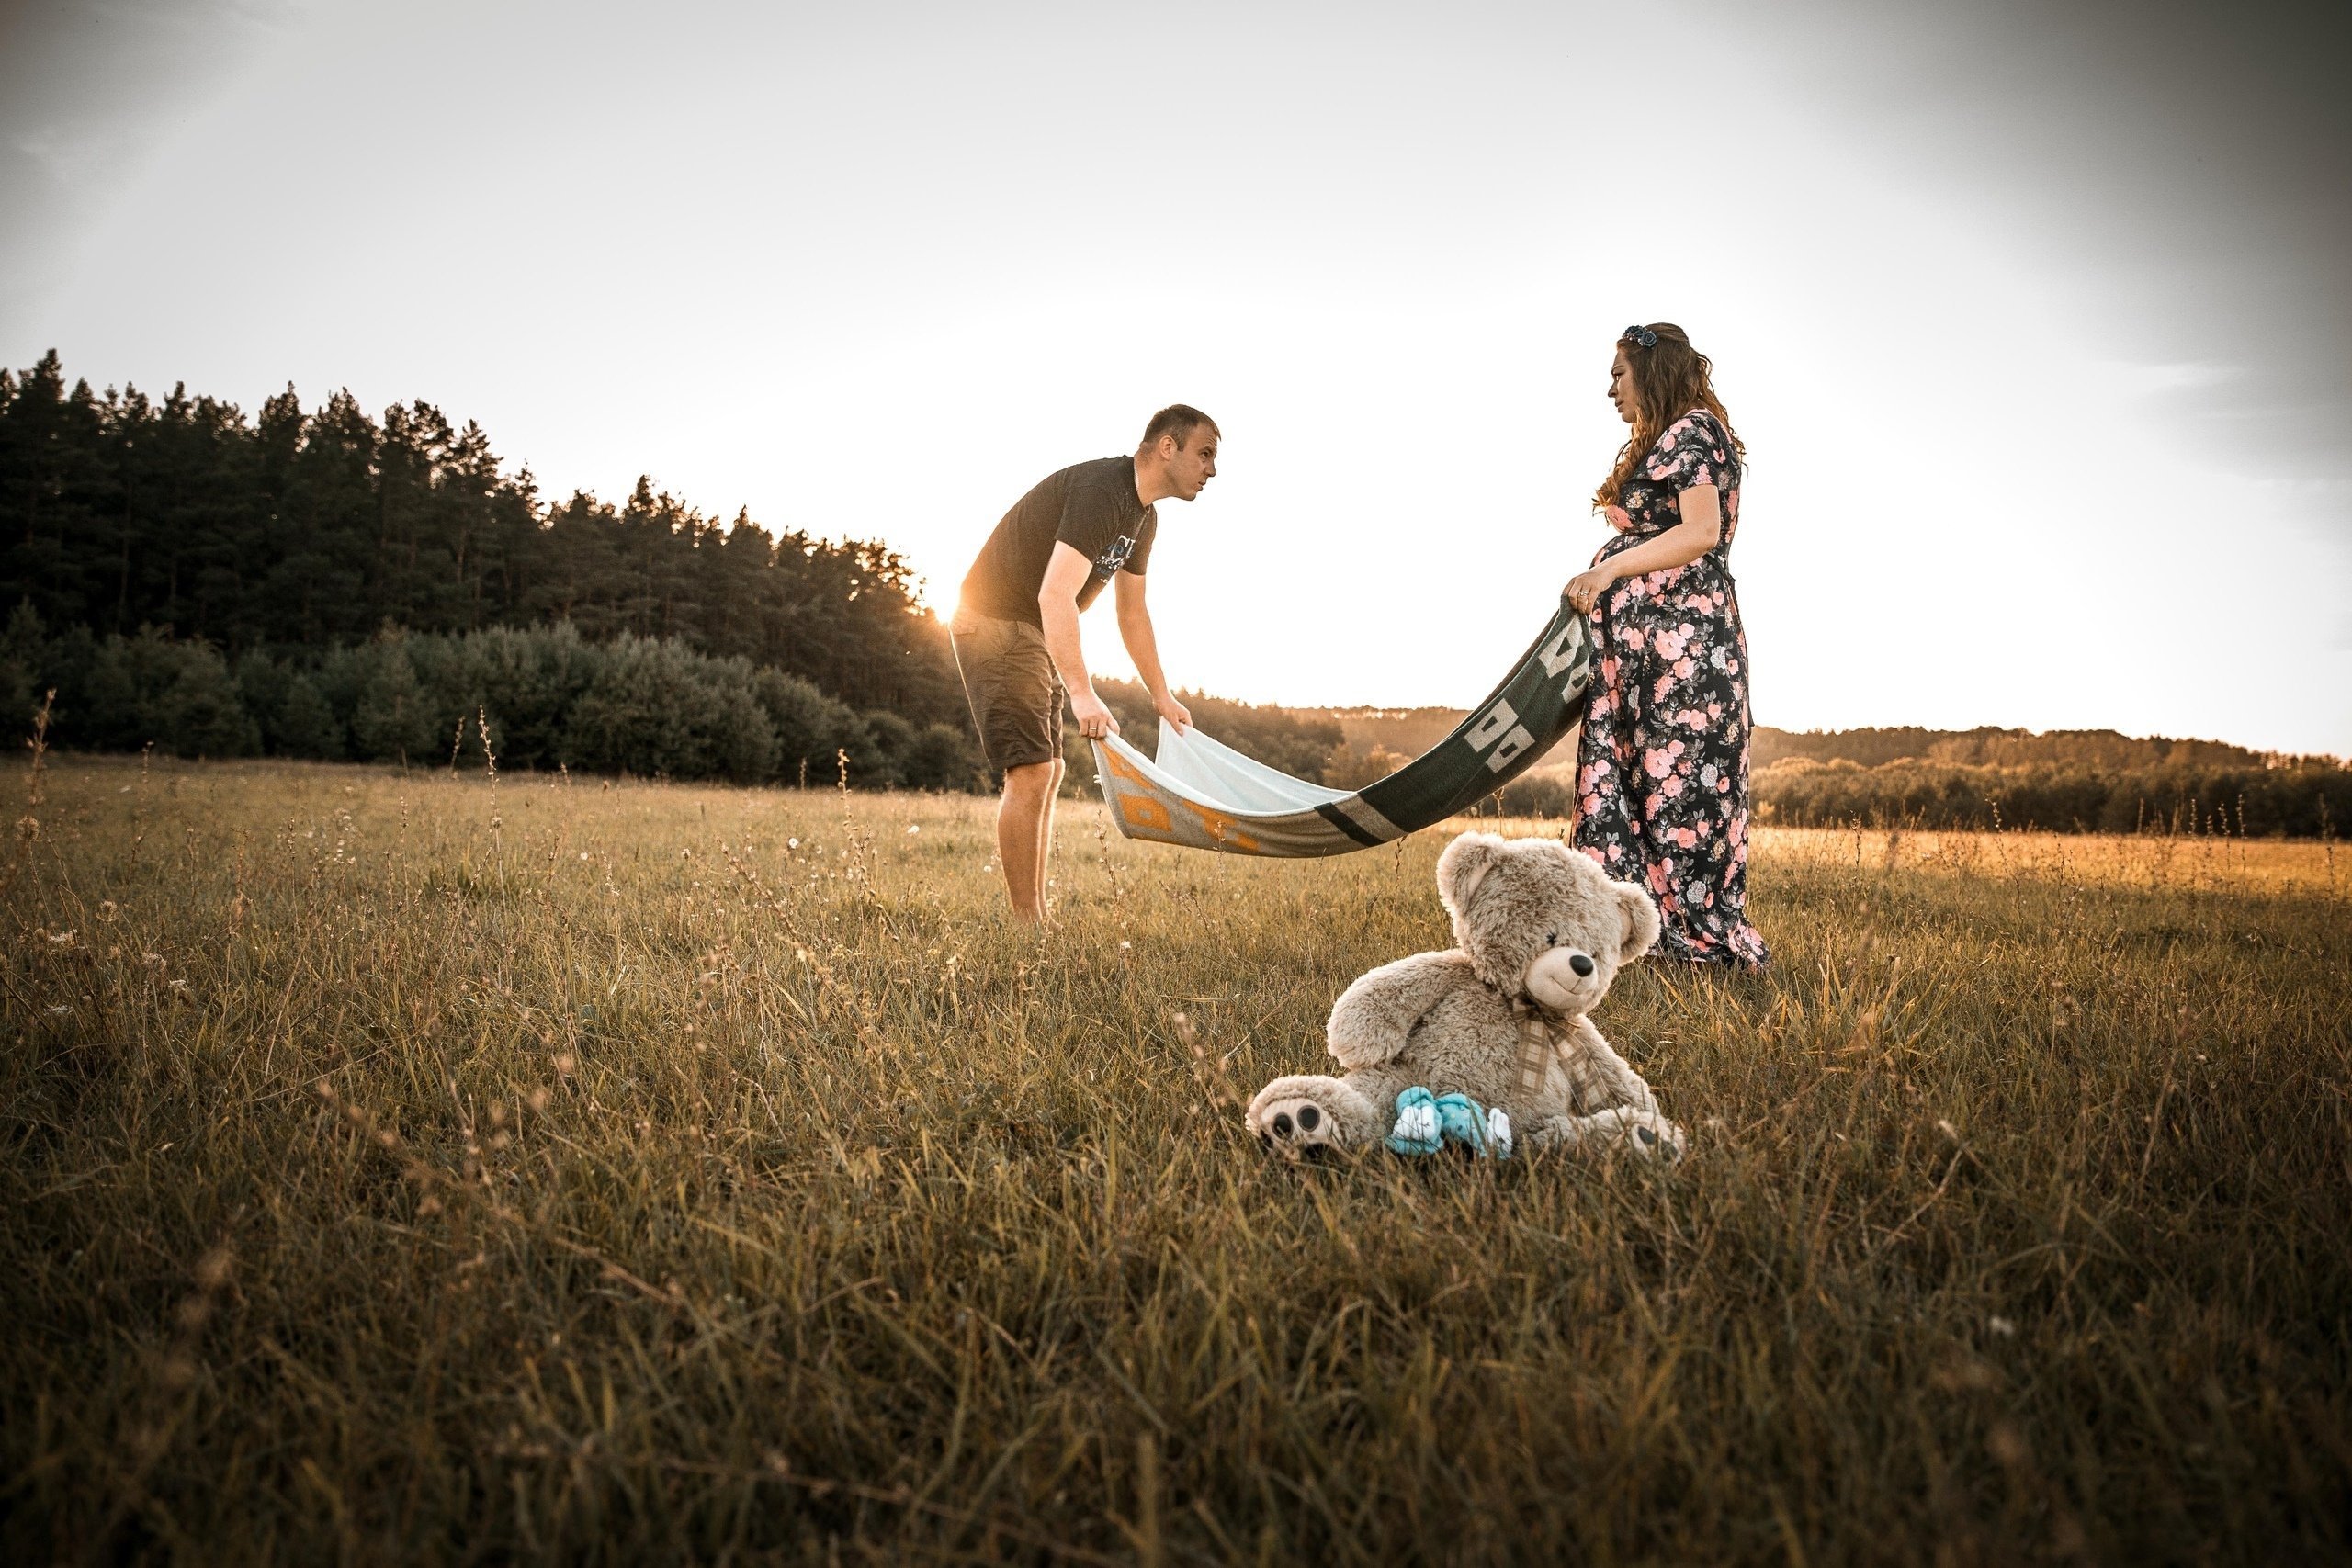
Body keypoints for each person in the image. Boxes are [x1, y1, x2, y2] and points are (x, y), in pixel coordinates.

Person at [951, 405, 1218, 923]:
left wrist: (1161, 696)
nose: (1212, 470)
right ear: (1168, 446)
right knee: (1029, 771)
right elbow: (1056, 595)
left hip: (1031, 628)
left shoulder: (1143, 516)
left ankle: (1036, 917)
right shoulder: (1105, 490)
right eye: (1204, 453)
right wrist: (1082, 693)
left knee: (1048, 769)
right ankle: (1028, 924)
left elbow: (1132, 612)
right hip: (997, 620)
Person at [1564, 324, 1769, 967]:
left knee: (1681, 796)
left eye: (1619, 374)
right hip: (1647, 659)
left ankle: (1684, 940)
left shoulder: (1694, 431)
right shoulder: (1668, 440)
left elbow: (1701, 531)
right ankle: (1631, 932)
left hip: (1686, 660)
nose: (1609, 390)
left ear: (1651, 373)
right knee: (1638, 791)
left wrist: (1608, 571)